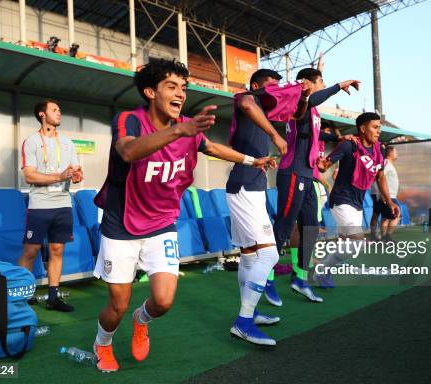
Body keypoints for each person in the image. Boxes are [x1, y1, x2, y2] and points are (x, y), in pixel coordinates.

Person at [91, 59, 276, 372]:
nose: (180, 94)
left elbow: (213, 148)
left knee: (162, 301)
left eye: (184, 88)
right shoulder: (130, 120)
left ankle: (141, 320)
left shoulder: (188, 128)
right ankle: (103, 342)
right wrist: (179, 130)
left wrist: (251, 160)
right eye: (172, 87)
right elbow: (128, 151)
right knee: (117, 304)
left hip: (161, 224)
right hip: (121, 225)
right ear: (150, 91)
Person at [225, 68, 310, 346]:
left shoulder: (266, 110)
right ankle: (244, 321)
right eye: (270, 86)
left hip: (248, 186)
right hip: (244, 188)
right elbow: (248, 103)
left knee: (250, 256)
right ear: (256, 85)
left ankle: (251, 312)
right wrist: (275, 136)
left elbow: (297, 114)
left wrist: (306, 96)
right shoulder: (247, 98)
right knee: (270, 255)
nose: (275, 90)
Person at [266, 67, 360, 305]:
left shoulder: (314, 110)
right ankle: (265, 278)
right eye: (321, 82)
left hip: (308, 176)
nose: (323, 86)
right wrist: (339, 86)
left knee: (310, 229)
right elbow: (311, 99)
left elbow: (317, 137)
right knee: (284, 228)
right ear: (308, 83)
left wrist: (341, 138)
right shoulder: (299, 99)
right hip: (292, 173)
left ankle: (300, 279)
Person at [317, 112, 399, 285]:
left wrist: (389, 201)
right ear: (362, 128)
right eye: (375, 127)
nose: (378, 132)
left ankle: (324, 270)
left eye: (379, 128)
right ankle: (322, 270)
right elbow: (324, 166)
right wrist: (319, 163)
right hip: (341, 200)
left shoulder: (379, 150)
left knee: (350, 246)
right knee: (357, 240)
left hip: (357, 202)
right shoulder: (349, 145)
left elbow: (380, 176)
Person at [19, 99, 83, 312]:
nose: (59, 112)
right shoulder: (31, 141)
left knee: (57, 250)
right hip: (39, 205)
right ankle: (21, 295)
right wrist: (58, 176)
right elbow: (29, 176)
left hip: (64, 204)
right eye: (54, 110)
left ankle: (53, 298)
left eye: (59, 109)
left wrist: (76, 175)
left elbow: (76, 169)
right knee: (31, 251)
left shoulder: (68, 142)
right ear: (42, 114)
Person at [373, 146, 401, 242]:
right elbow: (379, 177)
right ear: (390, 153)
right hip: (388, 196)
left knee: (385, 217)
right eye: (395, 152)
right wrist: (382, 194)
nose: (397, 154)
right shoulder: (386, 163)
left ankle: (384, 237)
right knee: (396, 215)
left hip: (390, 195)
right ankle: (387, 237)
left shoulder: (388, 163)